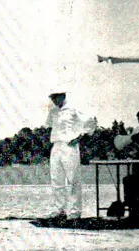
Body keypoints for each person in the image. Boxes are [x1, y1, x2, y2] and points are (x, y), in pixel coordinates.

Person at [43, 90, 97, 224]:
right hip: (56, 145)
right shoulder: (53, 111)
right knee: (56, 179)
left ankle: (74, 212)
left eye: (56, 96)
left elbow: (91, 122)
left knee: (73, 179)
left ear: (63, 95)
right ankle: (58, 210)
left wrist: (80, 136)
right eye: (52, 97)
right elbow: (49, 126)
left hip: (69, 146)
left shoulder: (73, 108)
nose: (54, 100)